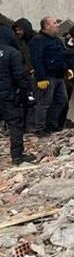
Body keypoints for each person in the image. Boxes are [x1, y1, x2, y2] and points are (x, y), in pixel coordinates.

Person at [27, 16, 69, 134]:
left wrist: (67, 68)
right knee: (44, 103)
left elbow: (62, 55)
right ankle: (39, 128)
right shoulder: (38, 40)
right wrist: (41, 78)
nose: (57, 25)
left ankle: (51, 124)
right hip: (47, 76)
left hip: (59, 76)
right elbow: (37, 60)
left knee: (61, 100)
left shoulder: (56, 40)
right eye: (55, 23)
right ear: (47, 26)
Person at [0, 25, 35, 165]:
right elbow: (19, 75)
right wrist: (27, 93)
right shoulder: (12, 53)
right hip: (8, 96)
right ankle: (17, 156)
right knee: (15, 124)